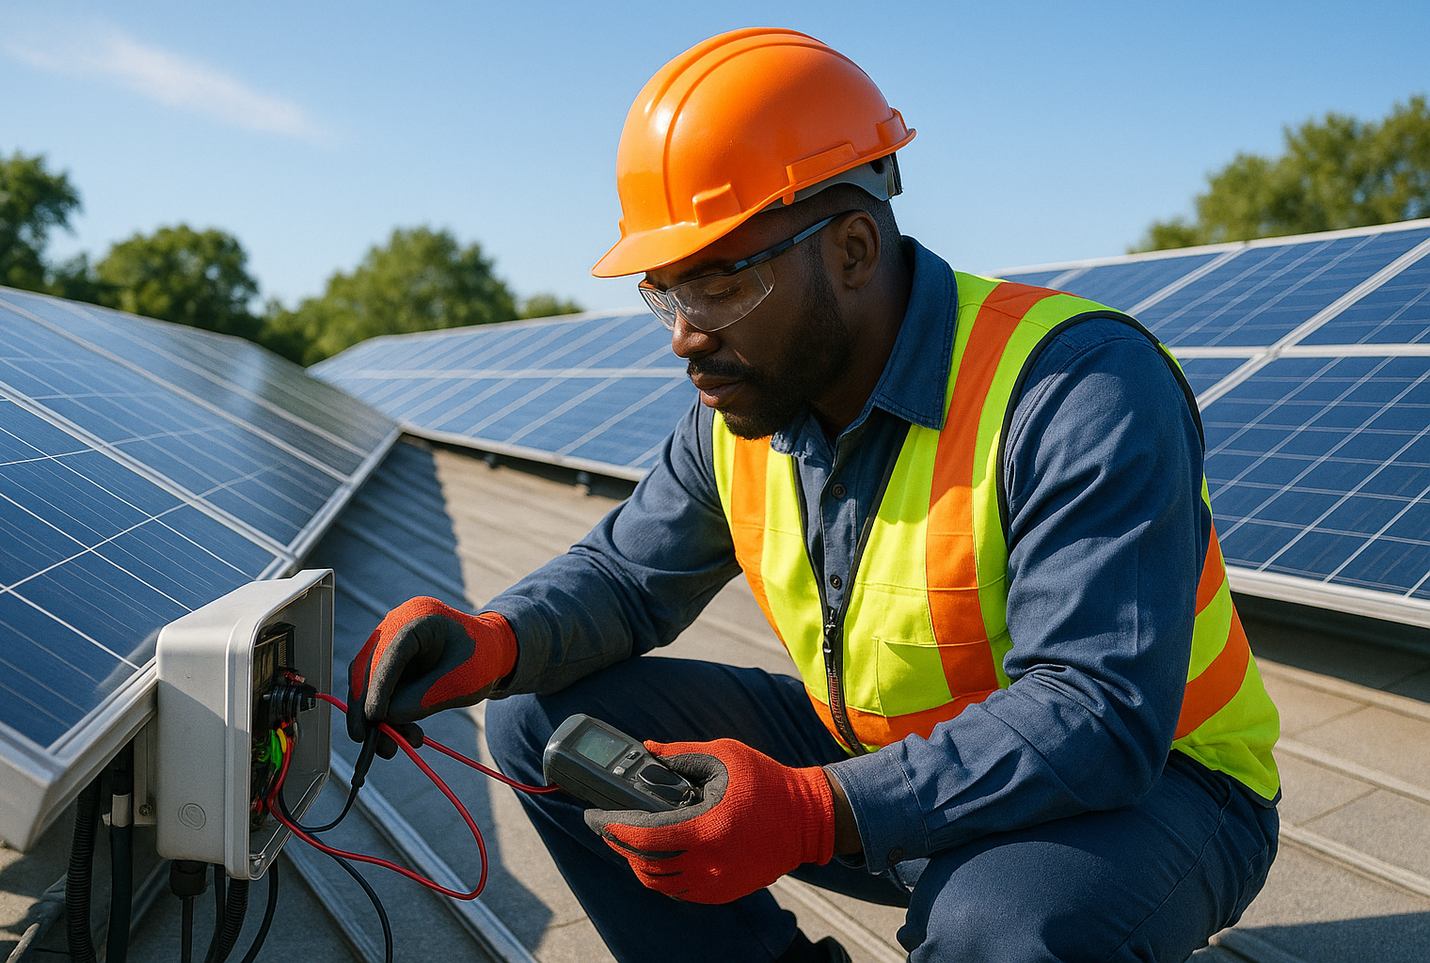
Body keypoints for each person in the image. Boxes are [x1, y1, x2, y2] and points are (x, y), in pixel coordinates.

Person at [346, 27, 1281, 963]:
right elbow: (626, 578)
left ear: (853, 248)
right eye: (663, 293)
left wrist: (812, 809)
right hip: (884, 761)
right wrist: (495, 639)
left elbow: (1099, 711)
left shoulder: (1076, 386)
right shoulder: (744, 413)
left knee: (999, 926)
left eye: (715, 284)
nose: (683, 336)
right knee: (543, 719)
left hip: (1158, 786)